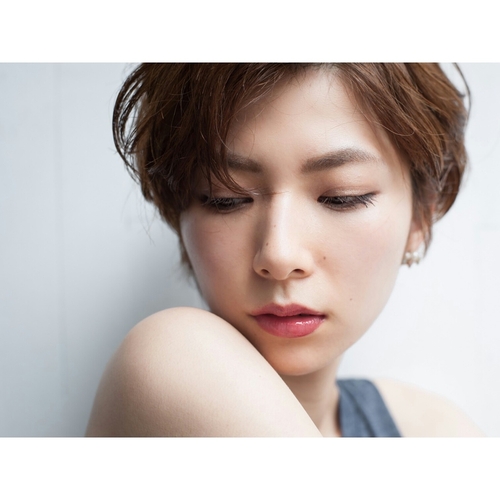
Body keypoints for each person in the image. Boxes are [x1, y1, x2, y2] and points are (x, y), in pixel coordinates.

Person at [86, 63, 483, 437]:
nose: (279, 255)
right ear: (179, 214)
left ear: (420, 215)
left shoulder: (432, 430)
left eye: (342, 197)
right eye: (226, 198)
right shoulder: (165, 354)